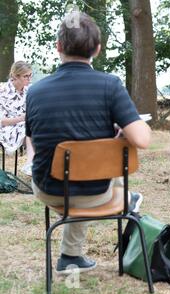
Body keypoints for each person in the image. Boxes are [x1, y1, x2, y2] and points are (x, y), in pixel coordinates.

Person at [26, 12, 151, 274]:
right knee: (97, 167)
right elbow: (142, 139)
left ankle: (70, 257)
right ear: (97, 49)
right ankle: (128, 199)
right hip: (94, 193)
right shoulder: (110, 85)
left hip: (47, 188)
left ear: (58, 47)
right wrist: (120, 131)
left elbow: (35, 142)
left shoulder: (35, 91)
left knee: (77, 167)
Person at [0, 61, 35, 175]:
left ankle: (40, 165)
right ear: (15, 76)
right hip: (7, 129)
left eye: (30, 75)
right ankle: (30, 164)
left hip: (26, 125)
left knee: (42, 128)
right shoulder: (2, 91)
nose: (29, 79)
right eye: (26, 76)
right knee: (29, 129)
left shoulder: (29, 90)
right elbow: (3, 121)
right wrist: (24, 118)